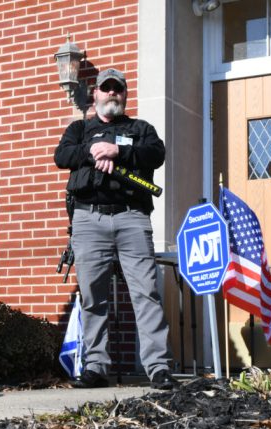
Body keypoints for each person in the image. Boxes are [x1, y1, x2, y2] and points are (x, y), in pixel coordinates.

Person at [54, 68, 177, 390]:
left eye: (117, 89)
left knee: (146, 293)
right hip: (88, 220)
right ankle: (95, 366)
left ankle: (158, 368)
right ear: (95, 95)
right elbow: (61, 156)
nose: (112, 94)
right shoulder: (80, 129)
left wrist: (119, 151)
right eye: (106, 89)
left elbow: (156, 153)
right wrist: (94, 152)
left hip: (131, 218)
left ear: (124, 95)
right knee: (93, 296)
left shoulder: (140, 129)